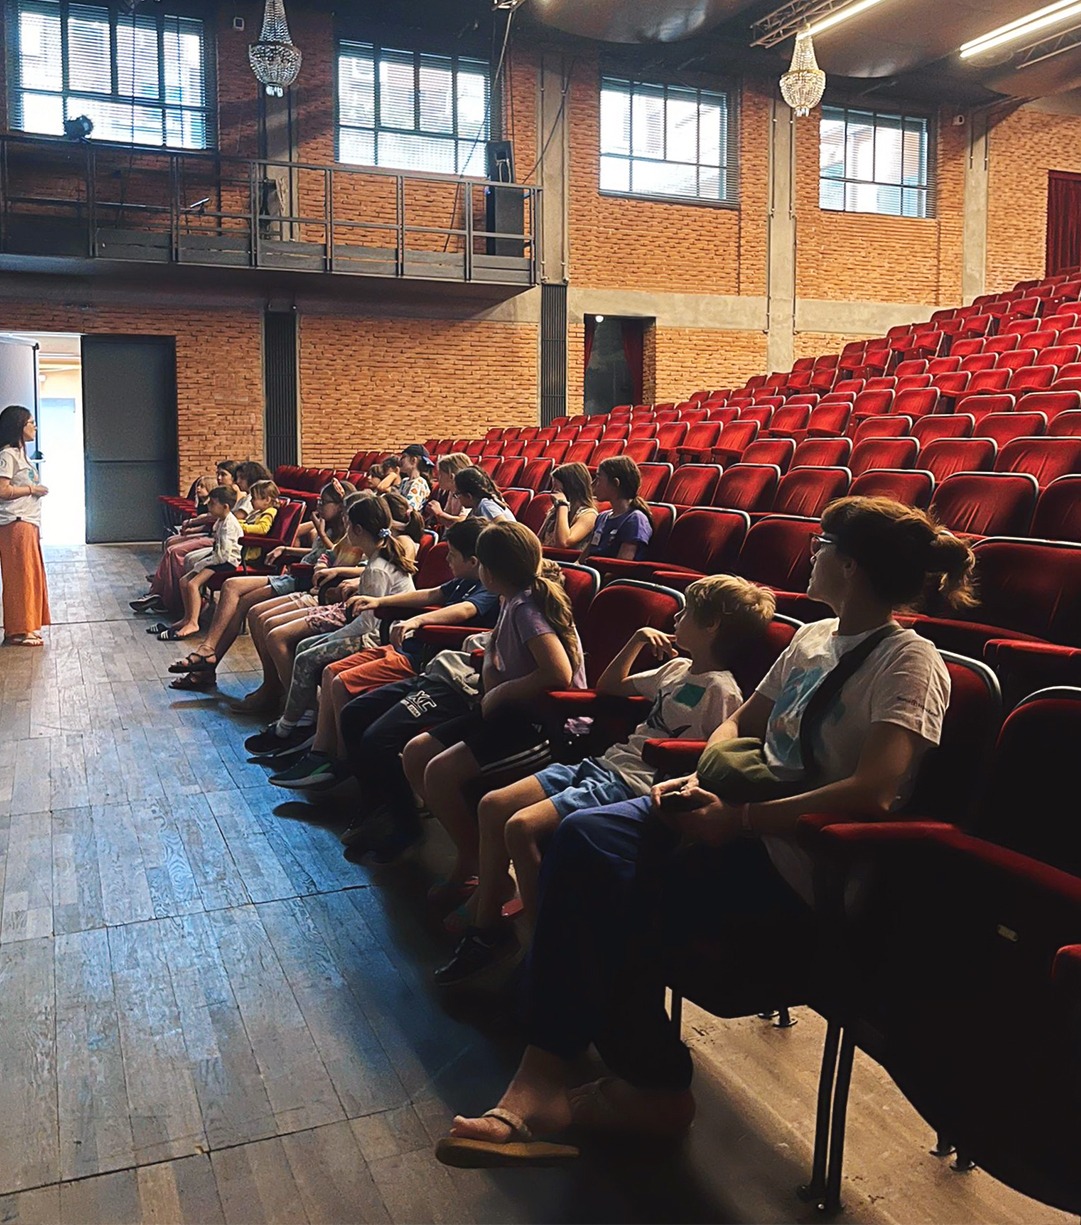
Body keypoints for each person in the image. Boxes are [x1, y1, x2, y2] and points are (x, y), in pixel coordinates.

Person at [435, 495, 975, 1168]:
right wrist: (704, 776)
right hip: (726, 811)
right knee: (582, 838)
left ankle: (625, 1086)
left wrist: (740, 818)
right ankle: (555, 1069)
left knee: (612, 900)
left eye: (822, 543)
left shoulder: (910, 662)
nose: (811, 552)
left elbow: (874, 789)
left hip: (794, 856)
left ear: (854, 564)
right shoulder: (810, 637)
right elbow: (739, 724)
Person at [437, 574, 773, 987]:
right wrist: (636, 640)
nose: (677, 616)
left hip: (635, 783)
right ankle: (486, 926)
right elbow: (610, 686)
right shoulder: (678, 668)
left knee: (520, 827)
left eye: (687, 612)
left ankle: (542, 952)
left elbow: (713, 762)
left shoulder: (723, 691)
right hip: (605, 764)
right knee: (493, 805)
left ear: (712, 626)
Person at [401, 522, 586, 891]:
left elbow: (558, 672)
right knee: (416, 752)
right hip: (506, 714)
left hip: (542, 725)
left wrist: (501, 691)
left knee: (439, 773)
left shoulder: (526, 606)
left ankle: (483, 869)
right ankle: (474, 856)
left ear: (489, 569)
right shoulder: (511, 598)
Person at [269, 517, 501, 790]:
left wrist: (417, 621)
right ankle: (322, 750)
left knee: (342, 682)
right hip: (406, 648)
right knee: (332, 672)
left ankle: (343, 761)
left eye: (452, 555)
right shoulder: (462, 581)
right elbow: (430, 594)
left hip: (427, 658)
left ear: (473, 561)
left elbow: (465, 611)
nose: (447, 560)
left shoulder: (487, 588)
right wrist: (379, 601)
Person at [244, 495, 417, 757]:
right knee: (303, 646)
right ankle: (301, 717)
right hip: (366, 629)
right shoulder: (377, 559)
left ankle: (288, 726)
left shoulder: (378, 567)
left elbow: (367, 624)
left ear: (357, 530)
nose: (346, 531)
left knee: (306, 656)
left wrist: (333, 635)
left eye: (349, 526)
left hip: (375, 637)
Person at [167, 480, 355, 693]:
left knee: (240, 597)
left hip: (303, 579)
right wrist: (286, 548)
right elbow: (315, 555)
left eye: (324, 502)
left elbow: (334, 556)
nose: (318, 506)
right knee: (232, 588)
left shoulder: (347, 533)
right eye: (318, 501)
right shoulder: (327, 526)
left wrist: (319, 533)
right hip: (296, 573)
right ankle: (208, 658)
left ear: (340, 506)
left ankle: (210, 658)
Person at [157, 484, 243, 641]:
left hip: (227, 563)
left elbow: (223, 556)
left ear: (225, 506)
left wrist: (202, 564)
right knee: (184, 581)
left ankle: (193, 623)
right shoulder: (220, 520)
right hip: (217, 558)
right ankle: (187, 617)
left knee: (192, 584)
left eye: (212, 503)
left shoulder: (229, 525)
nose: (208, 505)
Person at [0, 404, 50, 647]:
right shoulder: (7, 455)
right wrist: (31, 489)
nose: (35, 427)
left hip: (28, 522)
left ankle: (29, 625)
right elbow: (2, 490)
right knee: (19, 577)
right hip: (15, 523)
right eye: (31, 423)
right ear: (19, 427)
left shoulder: (22, 456)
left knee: (30, 575)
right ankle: (18, 630)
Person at [579, 456, 653, 563]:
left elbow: (620, 566)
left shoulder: (635, 519)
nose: (592, 484)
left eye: (598, 479)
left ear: (615, 483)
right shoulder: (602, 517)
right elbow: (581, 560)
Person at [537, 462, 598, 550]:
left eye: (557, 489)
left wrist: (562, 505)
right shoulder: (555, 510)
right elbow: (539, 540)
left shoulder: (589, 515)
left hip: (565, 562)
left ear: (571, 488)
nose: (553, 492)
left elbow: (563, 543)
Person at [426, 452, 471, 529]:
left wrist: (439, 513)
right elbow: (446, 516)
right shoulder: (452, 492)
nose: (437, 478)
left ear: (451, 476)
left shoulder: (467, 494)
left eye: (440, 474)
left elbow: (462, 521)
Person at [399, 445, 433, 513]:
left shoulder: (419, 483)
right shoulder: (404, 481)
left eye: (403, 457)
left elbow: (409, 509)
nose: (400, 460)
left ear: (413, 460)